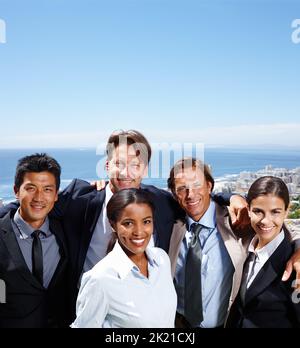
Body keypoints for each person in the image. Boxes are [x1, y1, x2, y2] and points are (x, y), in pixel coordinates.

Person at [0, 130, 248, 320]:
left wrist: (232, 198)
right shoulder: (79, 200)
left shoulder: (159, 202)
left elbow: (195, 198)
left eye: (135, 164)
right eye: (119, 163)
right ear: (107, 165)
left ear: (145, 169)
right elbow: (34, 203)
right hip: (84, 313)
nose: (126, 172)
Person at [167, 158, 300, 328]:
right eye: (181, 189)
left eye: (197, 185)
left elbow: (277, 225)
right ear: (173, 193)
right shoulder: (168, 224)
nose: (190, 194)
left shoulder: (238, 220)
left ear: (209, 186)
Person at [71, 188, 177, 328]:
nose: (139, 232)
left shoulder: (162, 259)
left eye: (146, 221)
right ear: (113, 225)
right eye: (128, 223)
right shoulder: (99, 279)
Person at [0, 154, 69, 328]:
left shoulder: (66, 231)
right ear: (16, 191)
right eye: (31, 188)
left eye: (47, 189)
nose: (39, 197)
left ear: (56, 195)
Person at [226, 176, 300, 328]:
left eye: (275, 212)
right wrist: (234, 197)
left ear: (287, 211)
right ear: (248, 210)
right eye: (258, 211)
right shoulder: (244, 246)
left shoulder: (294, 267)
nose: (266, 220)